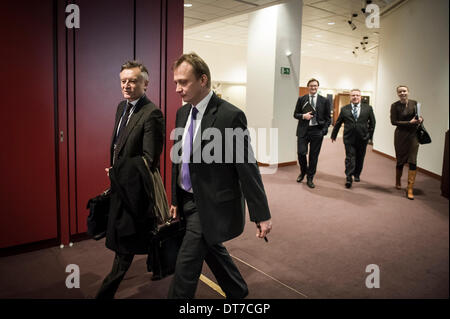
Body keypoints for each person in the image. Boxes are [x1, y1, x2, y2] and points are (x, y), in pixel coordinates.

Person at [168, 52, 272, 299]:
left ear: (203, 80)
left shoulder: (229, 116)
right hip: (187, 200)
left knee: (185, 266)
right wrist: (174, 198)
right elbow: (179, 162)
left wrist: (261, 213)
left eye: (183, 82)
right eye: (175, 82)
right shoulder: (183, 113)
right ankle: (237, 290)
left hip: (212, 203)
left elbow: (247, 167)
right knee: (212, 248)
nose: (177, 89)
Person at [96, 61, 165, 298]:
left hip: (135, 188)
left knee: (124, 246)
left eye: (133, 80)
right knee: (137, 234)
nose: (127, 85)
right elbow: (118, 145)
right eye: (123, 80)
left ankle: (104, 294)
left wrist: (118, 171)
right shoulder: (121, 107)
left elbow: (150, 160)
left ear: (145, 84)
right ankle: (158, 265)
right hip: (121, 185)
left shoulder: (152, 113)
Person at [331, 89, 376, 188]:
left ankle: (357, 174)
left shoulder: (368, 108)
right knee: (350, 158)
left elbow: (373, 123)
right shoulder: (344, 109)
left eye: (357, 95)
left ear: (360, 97)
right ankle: (348, 177)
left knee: (360, 157)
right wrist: (333, 135)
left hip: (362, 138)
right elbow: (338, 123)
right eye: (353, 95)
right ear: (350, 97)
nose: (355, 97)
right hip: (349, 138)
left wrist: (369, 136)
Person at [293, 79, 331, 188]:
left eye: (315, 86)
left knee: (314, 156)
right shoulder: (301, 99)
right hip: (303, 130)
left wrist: (323, 130)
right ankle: (303, 171)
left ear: (318, 87)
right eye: (311, 86)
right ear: (308, 87)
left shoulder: (324, 101)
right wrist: (303, 116)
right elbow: (295, 114)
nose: (313, 87)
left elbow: (328, 118)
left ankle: (310, 178)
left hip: (317, 131)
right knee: (301, 153)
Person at [390, 85, 423, 200]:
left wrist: (421, 119)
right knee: (400, 160)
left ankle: (410, 188)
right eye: (400, 92)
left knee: (413, 160)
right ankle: (398, 180)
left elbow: (419, 116)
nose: (402, 93)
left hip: (413, 135)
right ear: (397, 94)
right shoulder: (394, 106)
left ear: (408, 92)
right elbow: (393, 122)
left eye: (404, 91)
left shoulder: (415, 103)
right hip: (400, 135)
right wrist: (409, 122)